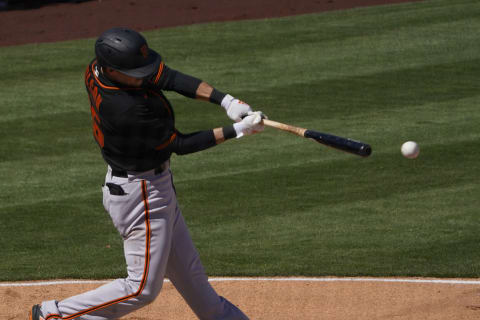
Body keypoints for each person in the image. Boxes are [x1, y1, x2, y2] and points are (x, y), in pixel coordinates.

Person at [29, 27, 264, 320]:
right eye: (136, 72)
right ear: (113, 70)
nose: (145, 76)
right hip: (140, 195)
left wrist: (226, 100)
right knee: (142, 288)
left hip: (152, 186)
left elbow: (169, 78)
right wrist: (237, 130)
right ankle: (55, 315)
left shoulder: (100, 69)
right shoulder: (125, 110)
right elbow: (179, 143)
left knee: (201, 293)